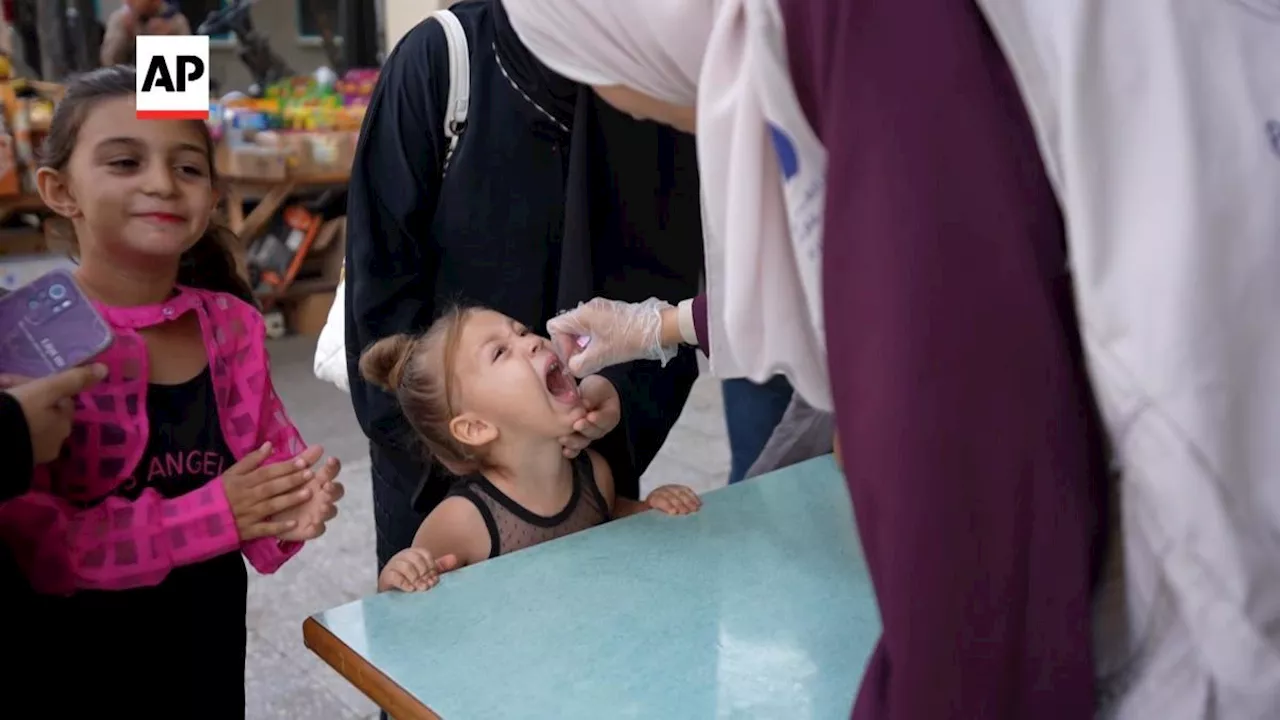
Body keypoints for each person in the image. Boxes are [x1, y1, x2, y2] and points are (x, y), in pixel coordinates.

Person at [502, 1, 1110, 718]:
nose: (620, 104)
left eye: (600, 73)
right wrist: (658, 326)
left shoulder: (876, 79)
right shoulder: (843, 72)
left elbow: (968, 578)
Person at [0, 66, 344, 716]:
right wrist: (218, 515)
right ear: (58, 189)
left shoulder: (232, 323)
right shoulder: (23, 342)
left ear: (212, 197)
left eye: (188, 167)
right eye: (124, 161)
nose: (160, 182)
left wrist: (292, 509)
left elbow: (266, 473)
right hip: (73, 663)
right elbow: (35, 547)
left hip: (205, 639)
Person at [345, 0, 705, 580]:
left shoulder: (656, 85)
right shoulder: (442, 63)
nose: (534, 343)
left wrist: (616, 399)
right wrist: (468, 459)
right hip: (440, 473)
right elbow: (381, 299)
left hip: (586, 464)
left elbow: (668, 294)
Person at [361, 307, 701, 592]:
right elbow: (406, 615)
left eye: (522, 332)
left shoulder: (594, 473)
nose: (534, 342)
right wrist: (398, 577)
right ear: (475, 428)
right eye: (499, 352)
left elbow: (608, 524)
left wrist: (646, 509)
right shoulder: (461, 522)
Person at [101, 0, 191, 67]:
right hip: (129, 84)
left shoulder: (175, 21)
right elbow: (109, 63)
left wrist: (167, 40)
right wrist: (126, 37)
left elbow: (188, 66)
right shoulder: (120, 20)